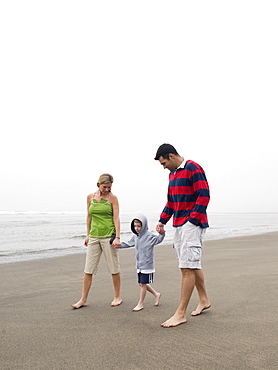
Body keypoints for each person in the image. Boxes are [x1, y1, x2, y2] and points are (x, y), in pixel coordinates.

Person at [154, 143, 211, 328]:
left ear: (171, 156)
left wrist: (192, 221)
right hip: (178, 225)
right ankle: (204, 300)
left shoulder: (192, 167)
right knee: (190, 265)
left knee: (187, 268)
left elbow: (204, 195)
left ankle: (180, 313)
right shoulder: (172, 174)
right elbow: (171, 202)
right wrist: (162, 220)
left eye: (163, 163)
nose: (163, 167)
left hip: (191, 224)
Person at [72, 173, 122, 309]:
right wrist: (88, 235)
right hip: (94, 236)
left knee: (113, 267)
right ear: (99, 184)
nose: (107, 190)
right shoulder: (90, 197)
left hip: (108, 236)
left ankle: (117, 296)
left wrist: (117, 237)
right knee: (88, 269)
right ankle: (83, 299)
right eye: (105, 187)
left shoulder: (113, 198)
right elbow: (89, 217)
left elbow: (116, 218)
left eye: (109, 187)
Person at [116, 214, 165, 311]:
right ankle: (156, 294)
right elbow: (129, 243)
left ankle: (140, 303)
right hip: (139, 265)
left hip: (147, 265)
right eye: (135, 226)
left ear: (144, 225)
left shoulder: (149, 236)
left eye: (139, 226)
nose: (137, 228)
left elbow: (159, 239)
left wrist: (162, 233)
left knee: (143, 284)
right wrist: (119, 245)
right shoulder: (136, 237)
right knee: (142, 284)